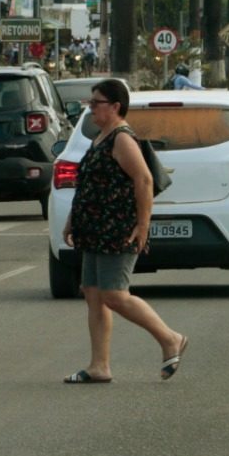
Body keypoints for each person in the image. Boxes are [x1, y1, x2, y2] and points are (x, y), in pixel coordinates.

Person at [60, 79, 187, 383]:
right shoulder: (100, 138)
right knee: (93, 294)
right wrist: (71, 221)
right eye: (90, 103)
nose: (90, 109)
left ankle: (170, 338)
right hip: (94, 231)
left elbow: (143, 180)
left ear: (115, 107)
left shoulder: (122, 139)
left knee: (115, 295)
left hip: (117, 230)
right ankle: (99, 366)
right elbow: (89, 186)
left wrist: (143, 225)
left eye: (96, 103)